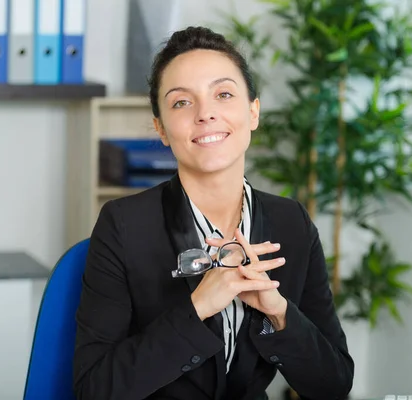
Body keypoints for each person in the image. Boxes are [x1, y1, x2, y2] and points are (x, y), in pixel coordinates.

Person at [72, 26, 354, 400]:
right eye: (181, 103)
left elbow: (333, 384)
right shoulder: (124, 226)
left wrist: (279, 312)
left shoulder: (292, 223)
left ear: (253, 112)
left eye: (223, 94)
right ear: (161, 128)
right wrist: (198, 306)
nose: (205, 114)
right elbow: (95, 390)